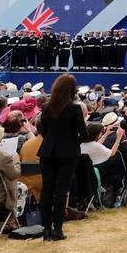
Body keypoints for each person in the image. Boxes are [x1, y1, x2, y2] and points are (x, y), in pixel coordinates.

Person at [36, 74, 89, 241]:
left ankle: (46, 229)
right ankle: (57, 229)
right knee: (60, 191)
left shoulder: (46, 107)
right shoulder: (74, 108)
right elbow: (84, 133)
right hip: (68, 152)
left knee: (47, 190)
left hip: (47, 151)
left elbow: (43, 131)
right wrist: (74, 141)